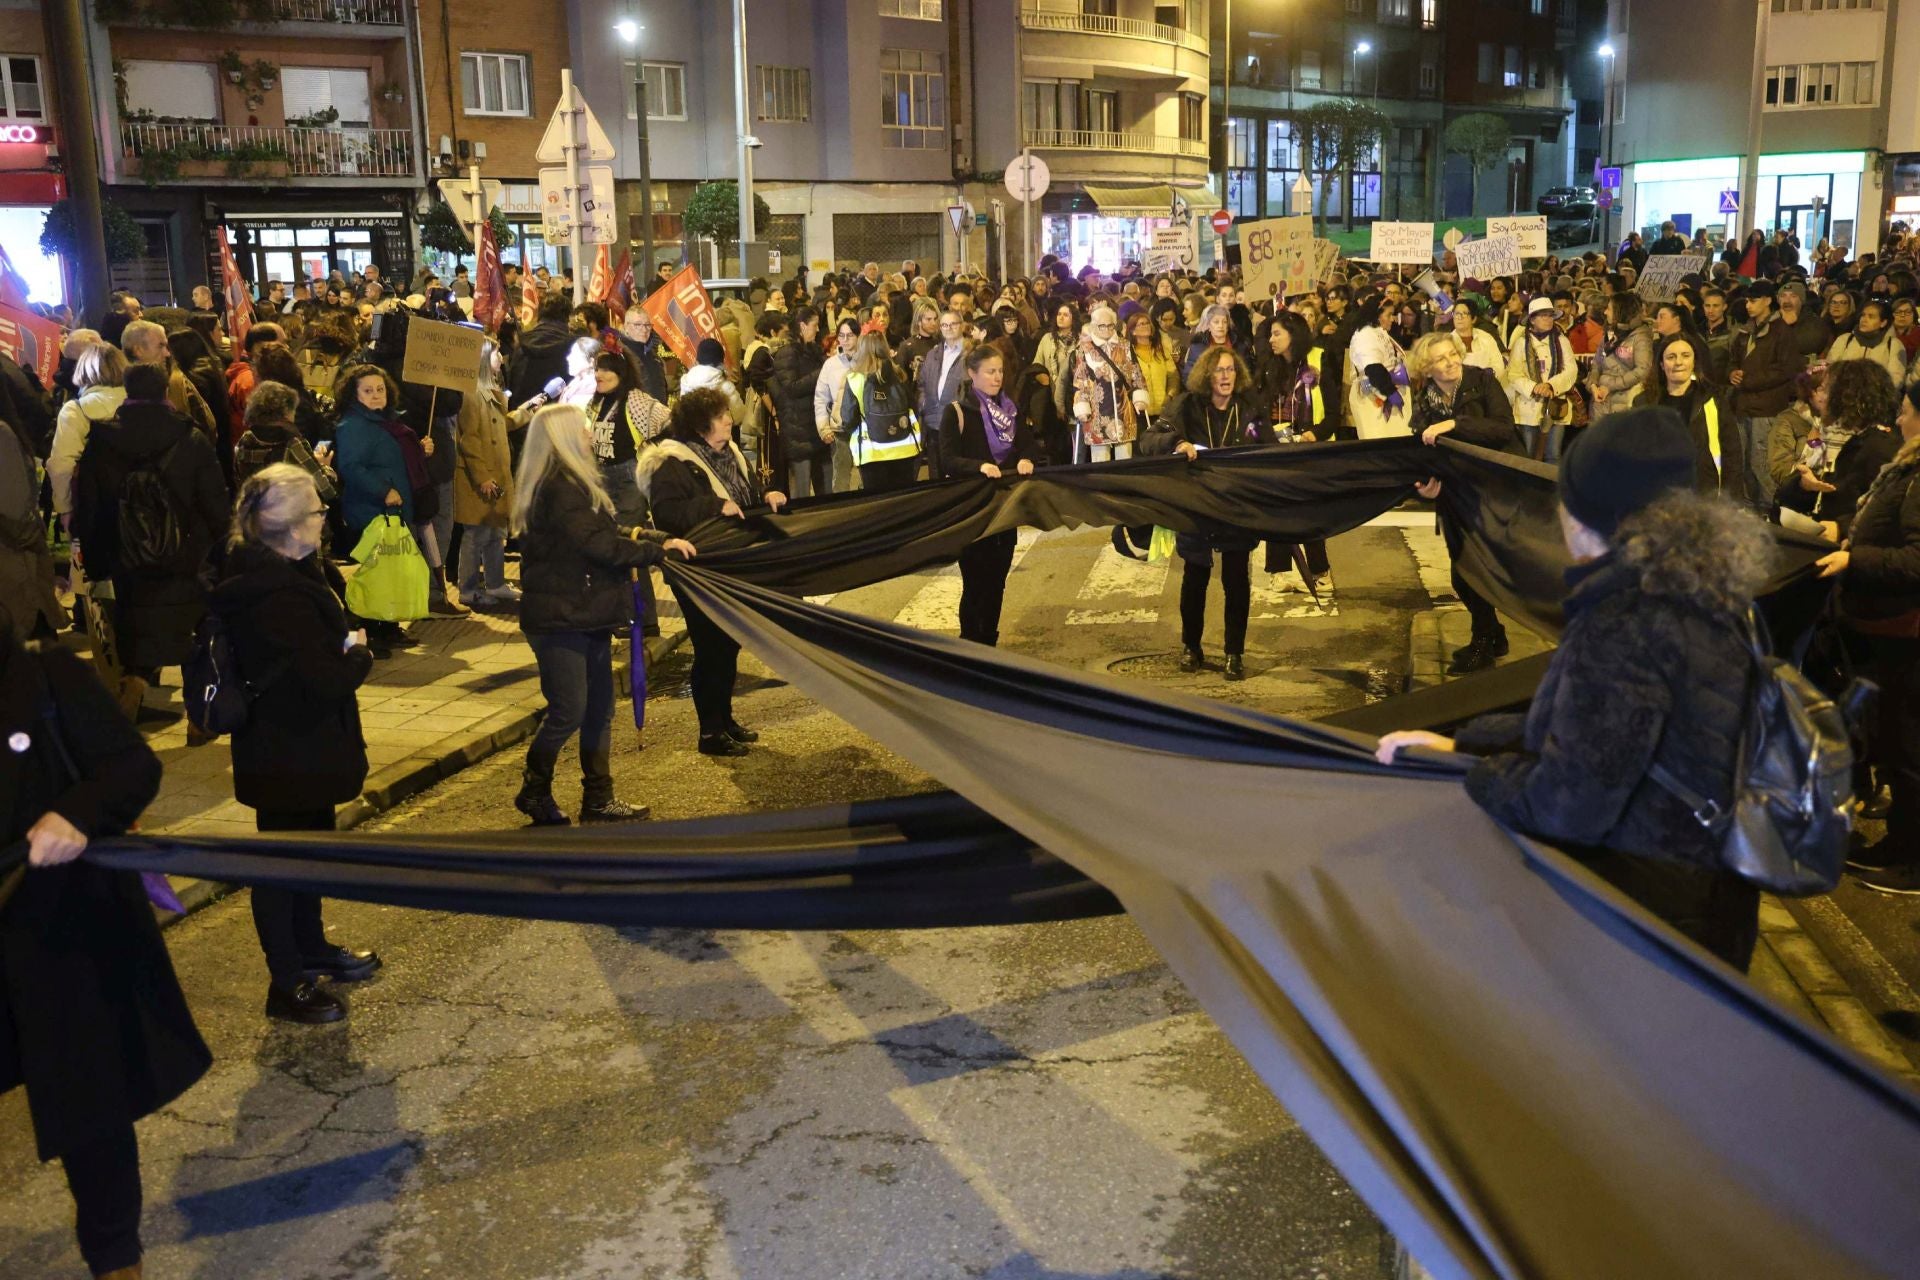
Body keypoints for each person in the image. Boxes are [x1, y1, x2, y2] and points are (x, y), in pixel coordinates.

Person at [1378, 409, 1774, 970]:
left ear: (1588, 513)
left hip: (1650, 921)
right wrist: (1464, 744)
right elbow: (1600, 737)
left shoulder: (1629, 619)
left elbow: (1568, 804)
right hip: (1706, 899)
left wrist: (1474, 774)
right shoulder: (1705, 591)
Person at [0, 620, 209, 1279]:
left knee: (90, 1115)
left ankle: (116, 1261)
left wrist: (77, 813)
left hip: (63, 934)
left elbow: (133, 766)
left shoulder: (41, 672)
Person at [211, 464, 382, 1024]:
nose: (323, 518)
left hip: (301, 745)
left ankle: (311, 950)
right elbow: (324, 678)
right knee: (281, 866)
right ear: (286, 525)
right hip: (284, 746)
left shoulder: (298, 571)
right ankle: (286, 982)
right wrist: (358, 653)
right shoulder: (273, 595)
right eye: (315, 511)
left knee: (310, 853)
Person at [513, 405, 693, 822]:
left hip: (584, 611)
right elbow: (598, 546)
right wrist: (654, 552)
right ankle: (534, 790)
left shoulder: (572, 483)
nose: (590, 436)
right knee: (569, 710)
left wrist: (652, 537)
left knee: (599, 710)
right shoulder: (558, 488)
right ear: (561, 439)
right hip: (560, 616)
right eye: (582, 430)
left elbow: (605, 534)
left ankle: (598, 797)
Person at [1817, 381, 1920, 895]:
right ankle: (1898, 844)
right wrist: (1841, 530)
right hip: (1883, 623)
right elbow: (1876, 526)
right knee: (1894, 740)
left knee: (1908, 746)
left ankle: (1910, 859)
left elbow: (1916, 559)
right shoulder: (1905, 466)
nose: (1898, 420)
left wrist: (1855, 559)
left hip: (1907, 628)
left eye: (1905, 412)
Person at [70, 362, 230, 691]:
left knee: (135, 625)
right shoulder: (190, 437)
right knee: (195, 629)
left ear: (127, 391)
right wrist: (224, 549)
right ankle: (198, 707)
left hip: (125, 553)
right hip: (186, 554)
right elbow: (214, 500)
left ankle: (136, 682)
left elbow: (89, 503)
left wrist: (95, 558)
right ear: (165, 391)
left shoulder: (101, 440)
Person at [641, 387, 780, 756]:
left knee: (730, 645)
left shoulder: (729, 452)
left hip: (732, 565)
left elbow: (744, 493)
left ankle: (725, 719)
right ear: (701, 425)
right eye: (720, 416)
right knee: (710, 648)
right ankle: (709, 732)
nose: (729, 420)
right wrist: (713, 505)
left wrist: (765, 496)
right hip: (697, 571)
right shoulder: (671, 463)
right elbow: (668, 514)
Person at [1142, 346, 1275, 680]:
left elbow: (1269, 448)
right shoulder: (1188, 405)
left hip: (1235, 505)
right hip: (1198, 504)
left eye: (1230, 370)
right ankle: (1192, 647)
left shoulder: (1249, 407)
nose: (1226, 376)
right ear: (1207, 375)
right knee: (1195, 577)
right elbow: (1150, 438)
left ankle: (1234, 653)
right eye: (1219, 371)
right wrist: (1176, 443)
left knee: (1236, 580)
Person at [1408, 332, 1522, 673]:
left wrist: (1456, 423)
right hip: (1455, 491)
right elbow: (1422, 449)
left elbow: (1503, 429)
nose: (1451, 361)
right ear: (1427, 369)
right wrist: (1426, 489)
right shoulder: (1425, 398)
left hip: (1492, 487)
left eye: (1453, 354)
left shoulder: (1482, 381)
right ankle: (1494, 634)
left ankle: (1483, 643)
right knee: (1462, 571)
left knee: (1472, 571)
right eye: (1441, 359)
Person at [940, 346, 1040, 646]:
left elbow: (1028, 445)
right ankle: (971, 643)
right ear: (973, 374)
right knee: (975, 582)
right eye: (990, 371)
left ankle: (989, 642)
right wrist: (979, 466)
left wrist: (1025, 458)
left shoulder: (1010, 410)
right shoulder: (957, 411)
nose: (997, 378)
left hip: (1004, 508)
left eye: (999, 371)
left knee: (997, 582)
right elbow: (948, 459)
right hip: (973, 509)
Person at [1639, 333, 1745, 503]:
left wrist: (1731, 500)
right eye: (1671, 357)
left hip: (1704, 494)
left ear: (1694, 361)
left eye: (1685, 356)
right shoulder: (1643, 403)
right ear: (1661, 364)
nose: (1678, 362)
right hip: (1658, 498)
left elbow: (1731, 452)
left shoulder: (1713, 399)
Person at [453, 343, 519, 609]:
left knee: (495, 532)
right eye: (496, 353)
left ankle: (495, 582)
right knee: (476, 535)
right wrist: (482, 477)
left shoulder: (489, 392)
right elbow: (470, 440)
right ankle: (467, 590)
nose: (501, 358)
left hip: (496, 474)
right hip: (480, 478)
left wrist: (527, 410)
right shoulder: (471, 395)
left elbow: (504, 424)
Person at [1728, 281, 1801, 508]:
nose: (1748, 305)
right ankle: (1751, 509)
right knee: (1743, 463)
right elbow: (1733, 359)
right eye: (1747, 300)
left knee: (1761, 462)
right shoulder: (1745, 330)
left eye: (1754, 300)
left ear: (1768, 300)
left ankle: (1772, 508)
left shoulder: (1781, 332)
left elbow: (1785, 370)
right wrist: (1732, 373)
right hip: (1743, 405)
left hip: (1767, 407)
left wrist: (1748, 381)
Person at [584, 351, 669, 529]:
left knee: (629, 532)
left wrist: (651, 446)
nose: (598, 374)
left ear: (621, 373)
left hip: (629, 479)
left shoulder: (636, 399)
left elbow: (670, 421)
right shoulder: (596, 402)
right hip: (600, 477)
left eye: (606, 369)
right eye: (597, 369)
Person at [839, 332, 923, 492]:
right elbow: (914, 407)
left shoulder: (855, 379)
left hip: (871, 453)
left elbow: (848, 418)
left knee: (877, 502)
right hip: (904, 449)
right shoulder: (899, 375)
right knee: (902, 499)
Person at [233, 382, 339, 505]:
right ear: (286, 413)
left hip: (257, 516)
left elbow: (240, 485)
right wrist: (325, 466)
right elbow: (327, 491)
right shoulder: (292, 443)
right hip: (289, 517)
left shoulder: (244, 440)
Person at [1071, 304, 1148, 464]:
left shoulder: (1125, 345)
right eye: (1102, 326)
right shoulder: (1084, 349)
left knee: (1125, 461)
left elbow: (1136, 373)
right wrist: (1082, 405)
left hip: (1123, 411)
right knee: (1100, 462)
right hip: (1097, 413)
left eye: (1110, 325)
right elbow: (1081, 380)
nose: (1106, 329)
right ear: (1093, 326)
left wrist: (1140, 396)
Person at [1505, 296, 1580, 462]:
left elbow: (1571, 370)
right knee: (1530, 455)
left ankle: (1553, 487)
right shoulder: (1521, 343)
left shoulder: (1562, 340)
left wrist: (1550, 385)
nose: (1548, 319)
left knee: (1553, 454)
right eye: (1543, 315)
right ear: (1532, 319)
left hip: (1555, 405)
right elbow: (1513, 373)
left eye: (1550, 315)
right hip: (1528, 405)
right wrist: (1533, 387)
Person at [771, 306, 830, 498]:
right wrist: (821, 374)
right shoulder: (787, 353)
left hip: (817, 428)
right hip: (799, 430)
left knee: (826, 491)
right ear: (802, 326)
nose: (818, 329)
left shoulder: (814, 350)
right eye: (815, 325)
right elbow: (792, 387)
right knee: (802, 494)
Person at [1347, 296, 1411, 439]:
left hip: (1386, 389)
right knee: (1378, 437)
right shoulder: (1365, 335)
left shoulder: (1379, 332)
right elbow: (1373, 368)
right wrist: (1390, 391)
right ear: (1376, 315)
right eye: (1388, 315)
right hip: (1373, 394)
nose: (1392, 319)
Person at [916, 310, 970, 478]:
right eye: (945, 325)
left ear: (961, 326)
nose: (949, 328)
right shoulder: (933, 354)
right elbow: (922, 384)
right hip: (934, 423)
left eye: (953, 324)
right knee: (936, 474)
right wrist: (924, 405)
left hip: (959, 424)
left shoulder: (970, 354)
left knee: (957, 473)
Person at [1587, 292, 1652, 423]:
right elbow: (1597, 363)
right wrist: (1593, 384)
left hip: (1625, 404)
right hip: (1600, 402)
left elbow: (1642, 370)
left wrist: (1610, 386)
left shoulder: (1640, 337)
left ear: (1621, 311)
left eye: (1609, 309)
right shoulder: (1609, 335)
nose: (1605, 312)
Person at [1826, 298, 1907, 387]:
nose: (1864, 320)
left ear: (1883, 323)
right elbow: (1830, 368)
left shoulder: (1893, 345)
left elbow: (1896, 379)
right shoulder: (1844, 340)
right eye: (1863, 315)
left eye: (1871, 317)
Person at [1449, 298, 1503, 371]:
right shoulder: (1448, 341)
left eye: (1464, 313)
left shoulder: (1486, 337)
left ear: (1473, 319)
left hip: (1487, 380)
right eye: (1456, 313)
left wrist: (1486, 379)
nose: (1459, 317)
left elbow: (1498, 365)